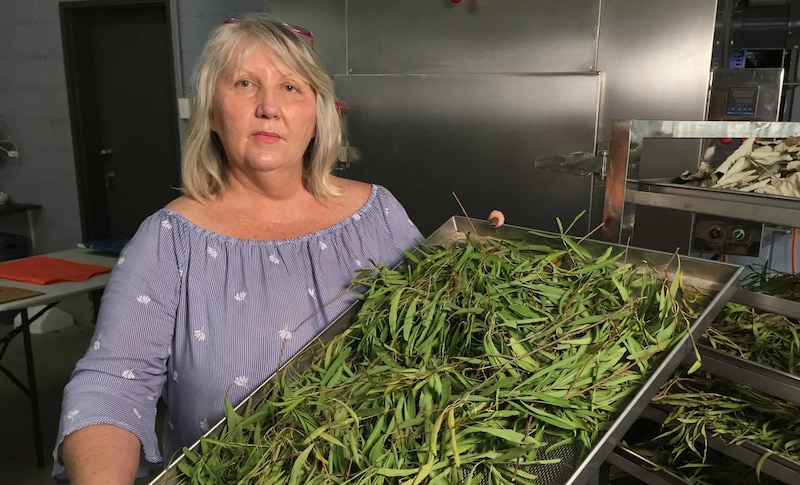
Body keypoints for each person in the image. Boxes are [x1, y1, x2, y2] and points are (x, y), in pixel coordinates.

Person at [53, 13, 504, 483]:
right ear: (210, 110)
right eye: (245, 83)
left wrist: (486, 270)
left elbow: (438, 328)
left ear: (317, 115)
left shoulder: (378, 214)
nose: (268, 106)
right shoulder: (169, 241)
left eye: (291, 87)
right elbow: (111, 388)